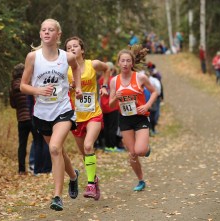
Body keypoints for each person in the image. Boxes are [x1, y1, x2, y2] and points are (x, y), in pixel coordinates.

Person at [20, 18, 82, 211]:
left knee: (54, 148)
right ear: (40, 34)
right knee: (59, 151)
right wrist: (38, 91)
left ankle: (57, 196)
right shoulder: (33, 57)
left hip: (63, 109)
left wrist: (78, 87)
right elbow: (23, 86)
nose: (46, 32)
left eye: (51, 30)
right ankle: (73, 176)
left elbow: (76, 68)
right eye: (43, 30)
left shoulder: (67, 57)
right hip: (42, 114)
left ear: (58, 35)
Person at [64, 36, 110, 200]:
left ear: (82, 49)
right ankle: (95, 179)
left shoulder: (93, 64)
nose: (72, 50)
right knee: (85, 154)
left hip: (93, 114)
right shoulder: (65, 69)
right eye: (68, 48)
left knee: (89, 146)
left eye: (75, 46)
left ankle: (90, 184)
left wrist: (104, 86)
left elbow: (107, 69)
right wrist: (67, 87)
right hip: (76, 118)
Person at [109, 48, 158, 191]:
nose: (125, 63)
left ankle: (146, 149)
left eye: (128, 61)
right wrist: (116, 97)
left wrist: (147, 105)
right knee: (132, 154)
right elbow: (111, 104)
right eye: (122, 61)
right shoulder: (114, 81)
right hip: (124, 119)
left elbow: (155, 92)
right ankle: (141, 180)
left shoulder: (140, 78)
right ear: (118, 63)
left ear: (132, 63)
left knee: (140, 150)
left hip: (140, 117)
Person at [10, 63, 38, 175]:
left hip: (21, 119)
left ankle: (21, 170)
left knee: (22, 144)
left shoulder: (12, 87)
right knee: (37, 140)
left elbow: (13, 104)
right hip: (32, 117)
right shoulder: (27, 84)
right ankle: (34, 164)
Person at [98, 62, 124, 152]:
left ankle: (107, 146)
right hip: (113, 107)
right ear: (111, 70)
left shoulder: (101, 80)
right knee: (113, 127)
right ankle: (112, 146)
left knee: (106, 127)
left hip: (103, 107)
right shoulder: (114, 80)